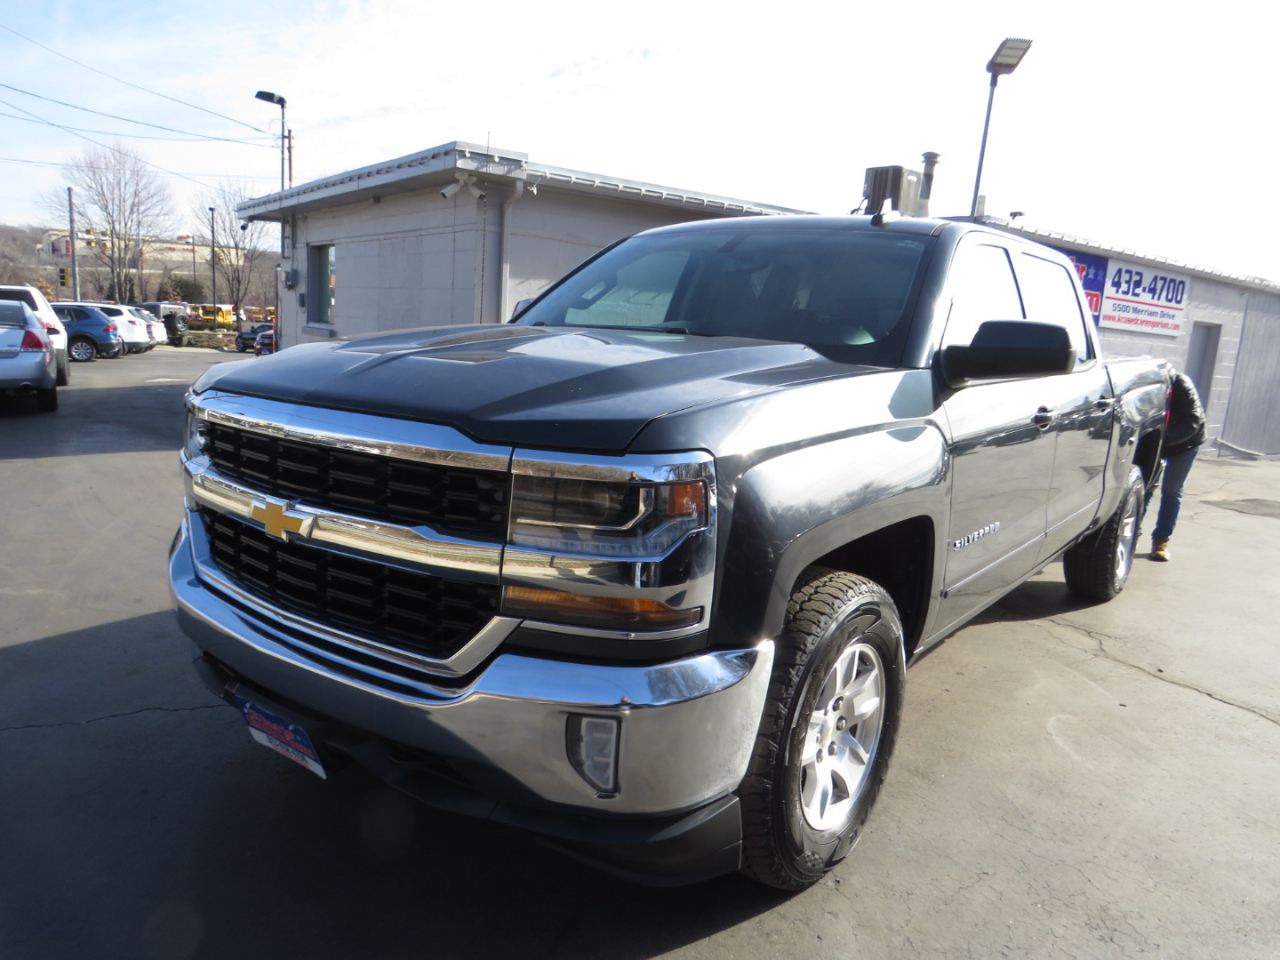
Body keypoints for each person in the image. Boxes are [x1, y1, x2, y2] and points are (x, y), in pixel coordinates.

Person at [1145, 369, 1206, 561]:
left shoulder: (1182, 386)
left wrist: (1160, 441)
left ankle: (1161, 540)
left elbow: (1192, 422)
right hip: (1158, 441)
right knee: (1143, 487)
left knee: (1172, 489)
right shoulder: (1146, 388)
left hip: (1186, 443)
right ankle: (1130, 533)